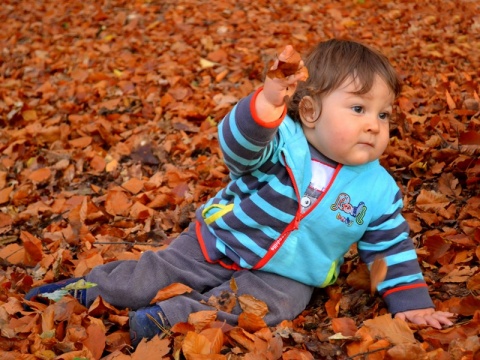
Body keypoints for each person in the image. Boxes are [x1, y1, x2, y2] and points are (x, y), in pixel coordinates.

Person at [25, 39, 455, 346]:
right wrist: (265, 109)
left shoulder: (378, 189)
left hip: (288, 274)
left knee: (263, 307)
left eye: (383, 114)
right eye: (359, 109)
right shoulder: (283, 142)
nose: (374, 125)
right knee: (159, 271)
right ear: (309, 110)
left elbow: (389, 250)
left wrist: (411, 301)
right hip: (220, 240)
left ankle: (167, 320)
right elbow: (238, 148)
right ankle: (89, 290)